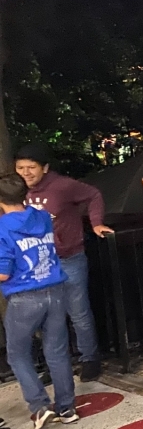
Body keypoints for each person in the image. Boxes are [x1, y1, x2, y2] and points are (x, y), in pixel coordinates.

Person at [16, 144, 113, 382]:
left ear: (45, 168)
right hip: (37, 262)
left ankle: (89, 358)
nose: (26, 173)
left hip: (68, 257)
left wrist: (97, 222)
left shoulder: (62, 186)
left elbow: (93, 194)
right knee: (47, 316)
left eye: (31, 167)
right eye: (20, 168)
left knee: (78, 311)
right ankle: (56, 363)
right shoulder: (15, 190)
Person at [0, 173, 78, 429]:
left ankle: (39, 406)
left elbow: (4, 272)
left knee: (17, 354)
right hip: (54, 289)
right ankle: (67, 407)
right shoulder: (42, 216)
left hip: (24, 296)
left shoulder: (3, 228)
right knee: (56, 352)